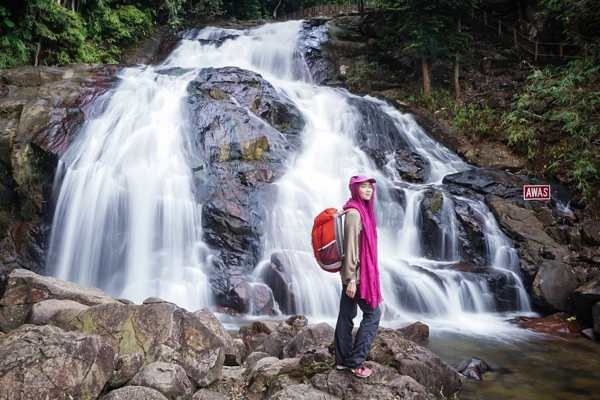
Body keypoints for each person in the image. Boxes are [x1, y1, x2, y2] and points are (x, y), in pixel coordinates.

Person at [334, 175, 382, 378]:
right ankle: (355, 362)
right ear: (355, 189)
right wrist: (351, 279)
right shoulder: (354, 213)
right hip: (357, 276)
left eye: (370, 186)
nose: (368, 190)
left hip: (354, 273)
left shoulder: (361, 210)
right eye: (363, 187)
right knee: (373, 314)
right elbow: (351, 247)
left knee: (346, 315)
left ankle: (342, 361)